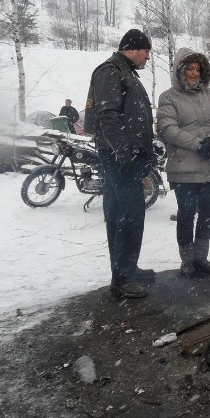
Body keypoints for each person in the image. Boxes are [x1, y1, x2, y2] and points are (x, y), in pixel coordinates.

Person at [85, 29, 156, 298]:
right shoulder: (110, 71)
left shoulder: (124, 72)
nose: (148, 57)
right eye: (146, 51)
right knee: (129, 214)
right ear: (132, 48)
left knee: (122, 213)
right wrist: (124, 154)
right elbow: (107, 115)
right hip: (118, 157)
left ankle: (126, 270)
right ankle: (124, 278)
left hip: (124, 156)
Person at [157, 48, 210, 278]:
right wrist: (199, 144)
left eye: (198, 69)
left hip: (209, 167)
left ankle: (201, 257)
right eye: (190, 68)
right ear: (181, 70)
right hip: (183, 167)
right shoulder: (168, 97)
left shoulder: (209, 94)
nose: (195, 73)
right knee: (186, 214)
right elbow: (168, 130)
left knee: (208, 213)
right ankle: (187, 260)